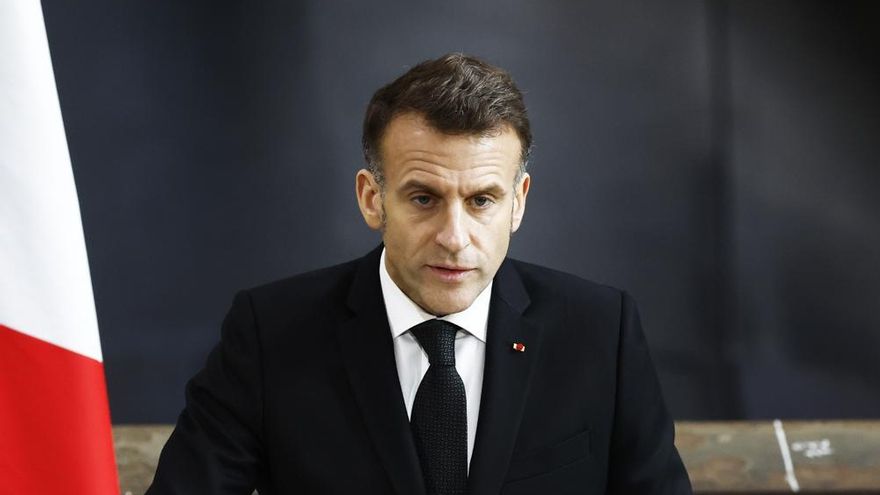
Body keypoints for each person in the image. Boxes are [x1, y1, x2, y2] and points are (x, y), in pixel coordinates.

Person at [147, 53, 692, 494]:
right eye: (424, 198)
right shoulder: (270, 334)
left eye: (482, 200)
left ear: (518, 204)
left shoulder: (601, 331)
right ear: (371, 198)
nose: (454, 237)